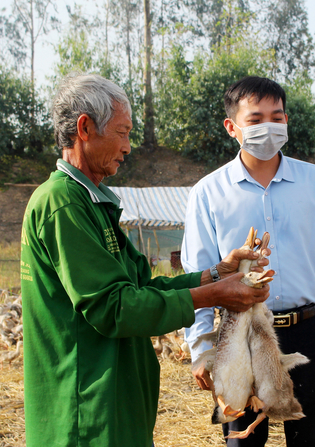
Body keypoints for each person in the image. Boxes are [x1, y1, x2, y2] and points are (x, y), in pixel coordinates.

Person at [20, 74, 271, 447]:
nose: (128, 146)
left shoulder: (93, 203)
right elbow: (114, 307)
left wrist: (216, 274)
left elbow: (141, 287)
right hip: (85, 410)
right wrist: (216, 295)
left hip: (112, 402)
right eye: (122, 133)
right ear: (85, 128)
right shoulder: (63, 204)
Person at [182, 76, 315, 446]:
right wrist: (200, 347)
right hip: (238, 336)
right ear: (231, 127)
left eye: (277, 117)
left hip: (308, 332)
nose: (269, 126)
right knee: (242, 441)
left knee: (310, 439)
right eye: (255, 119)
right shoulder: (208, 193)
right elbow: (197, 275)